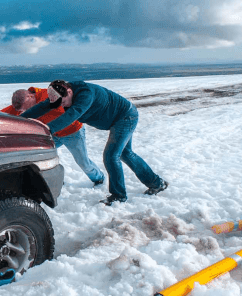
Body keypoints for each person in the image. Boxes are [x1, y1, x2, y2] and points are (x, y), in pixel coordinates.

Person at [21, 80, 167, 206]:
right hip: (118, 119)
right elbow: (41, 107)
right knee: (125, 153)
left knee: (111, 155)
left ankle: (118, 196)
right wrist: (20, 120)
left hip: (125, 117)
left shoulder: (85, 94)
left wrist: (47, 129)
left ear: (70, 91)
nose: (63, 105)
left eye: (64, 102)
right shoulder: (60, 94)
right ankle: (156, 183)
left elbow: (72, 114)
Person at [1, 87, 105, 186]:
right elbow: (3, 114)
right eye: (23, 110)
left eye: (27, 107)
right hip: (54, 135)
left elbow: (72, 112)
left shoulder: (50, 96)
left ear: (31, 96)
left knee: (82, 162)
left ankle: (99, 178)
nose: (27, 111)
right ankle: (53, 179)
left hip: (73, 133)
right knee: (39, 156)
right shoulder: (22, 102)